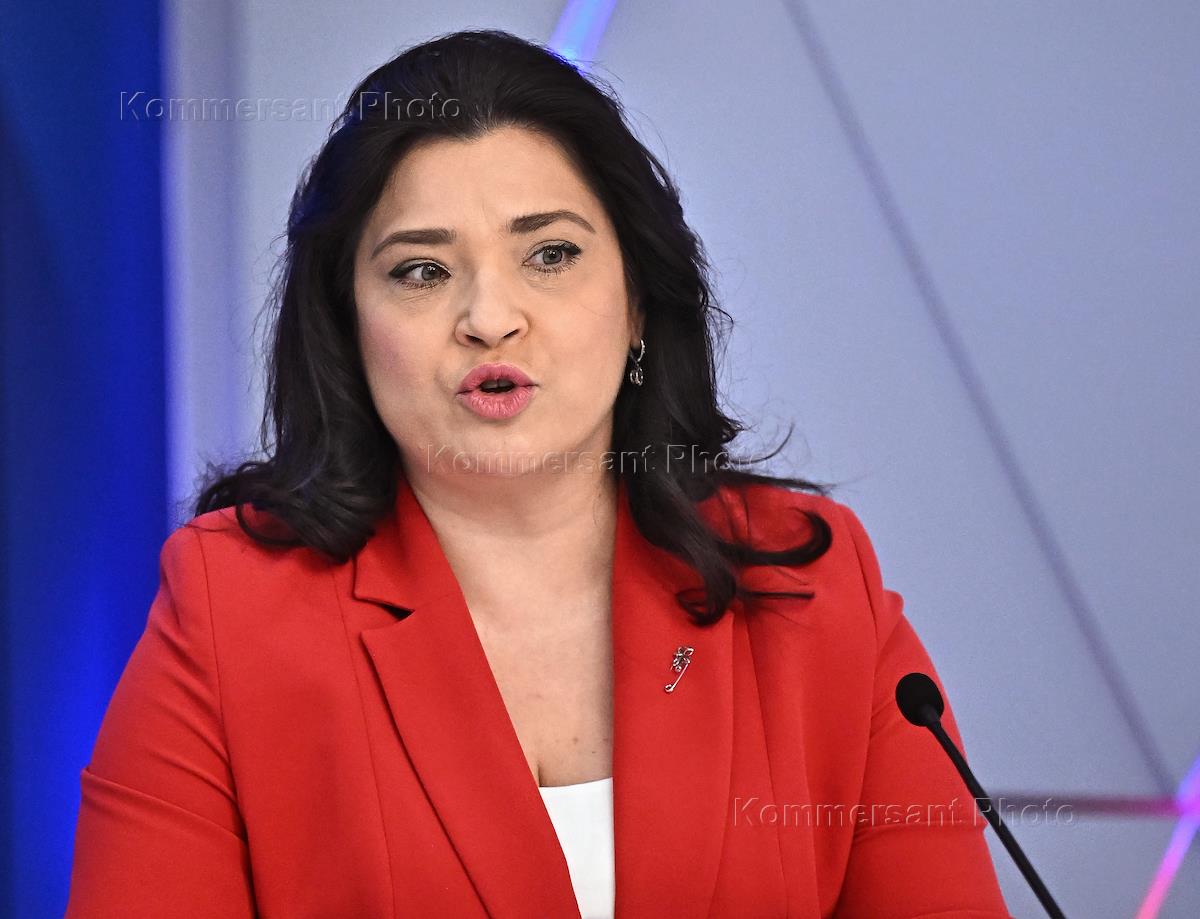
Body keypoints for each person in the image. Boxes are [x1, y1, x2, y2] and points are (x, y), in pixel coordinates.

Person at [65, 28, 1012, 919]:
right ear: (347, 326)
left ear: (638, 303)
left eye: (549, 255)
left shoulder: (809, 585)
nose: (490, 316)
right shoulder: (231, 611)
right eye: (421, 271)